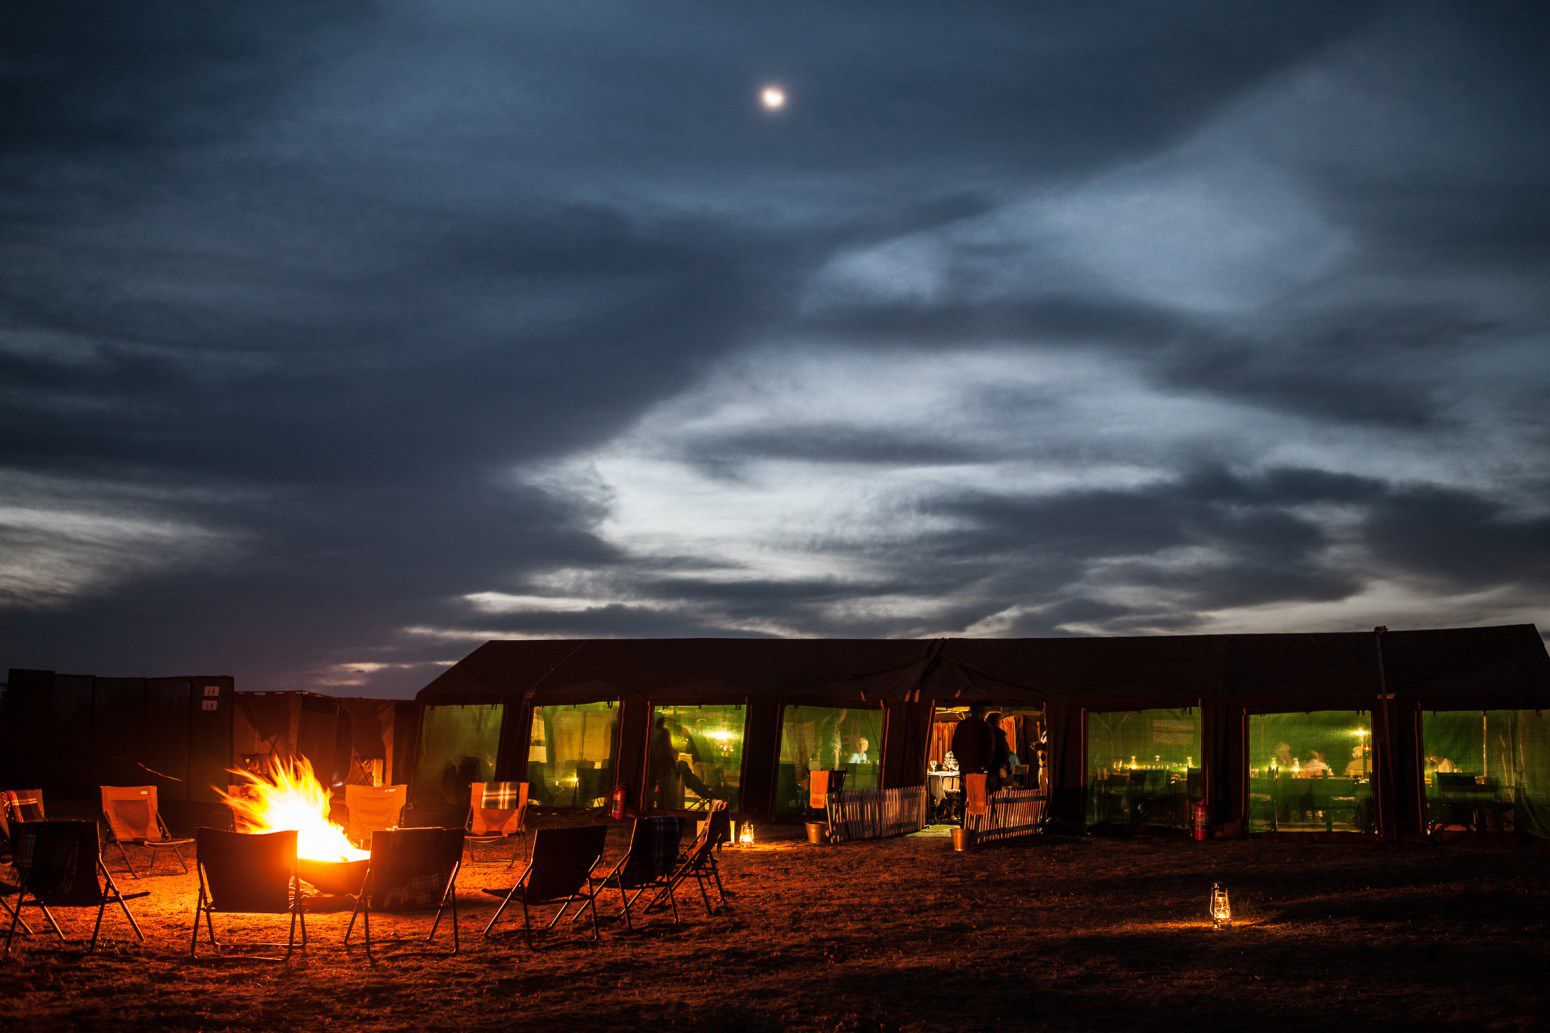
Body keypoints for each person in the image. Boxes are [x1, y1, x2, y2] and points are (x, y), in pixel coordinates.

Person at [985, 711, 1012, 793]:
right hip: (996, 767)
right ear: (996, 721)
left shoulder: (983, 733)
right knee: (996, 792)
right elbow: (1004, 750)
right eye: (999, 720)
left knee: (987, 791)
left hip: (985, 767)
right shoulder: (999, 734)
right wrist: (1005, 763)